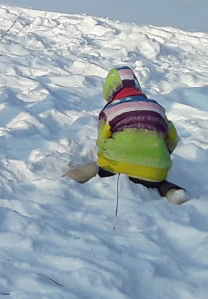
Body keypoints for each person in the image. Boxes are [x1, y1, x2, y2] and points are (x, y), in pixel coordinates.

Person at [63, 65, 186, 203]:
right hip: (154, 172)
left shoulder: (110, 110)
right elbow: (173, 139)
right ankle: (174, 193)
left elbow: (102, 141)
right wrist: (160, 153)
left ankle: (70, 178)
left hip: (116, 168)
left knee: (94, 168)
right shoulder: (156, 108)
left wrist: (105, 159)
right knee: (159, 182)